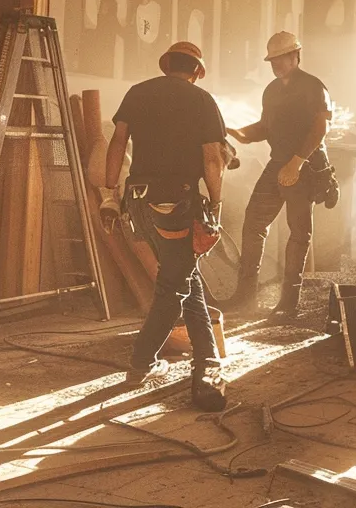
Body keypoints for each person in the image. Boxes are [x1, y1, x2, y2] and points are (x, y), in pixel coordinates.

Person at [103, 41, 229, 411]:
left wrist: (109, 194)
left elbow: (117, 142)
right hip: (176, 205)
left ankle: (206, 358)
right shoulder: (202, 100)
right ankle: (141, 363)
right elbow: (212, 158)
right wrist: (217, 204)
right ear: (196, 72)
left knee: (183, 276)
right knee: (174, 286)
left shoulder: (137, 93)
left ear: (166, 66)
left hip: (139, 204)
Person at [229, 31, 335, 318]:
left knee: (299, 233)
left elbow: (319, 129)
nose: (275, 64)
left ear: (295, 56)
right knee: (254, 222)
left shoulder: (314, 87)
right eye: (272, 60)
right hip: (278, 163)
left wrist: (297, 162)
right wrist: (235, 133)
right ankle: (245, 295)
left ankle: (288, 302)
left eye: (280, 58)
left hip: (306, 165)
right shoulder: (272, 91)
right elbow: (265, 127)